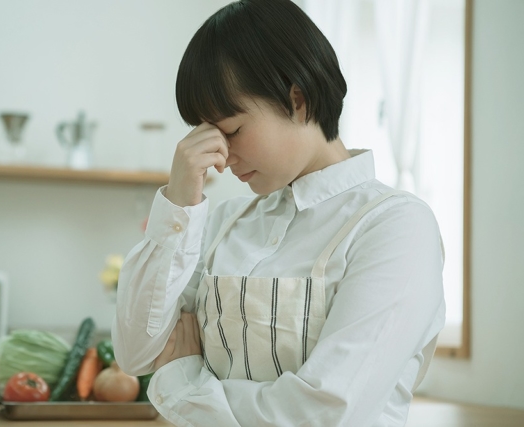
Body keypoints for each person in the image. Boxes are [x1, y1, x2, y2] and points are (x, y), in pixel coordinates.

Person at [111, 0, 445, 425]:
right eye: (208, 134)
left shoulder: (396, 227)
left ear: (298, 99)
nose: (221, 157)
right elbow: (137, 352)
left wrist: (182, 386)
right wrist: (178, 203)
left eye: (231, 130)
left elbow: (321, 412)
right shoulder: (220, 222)